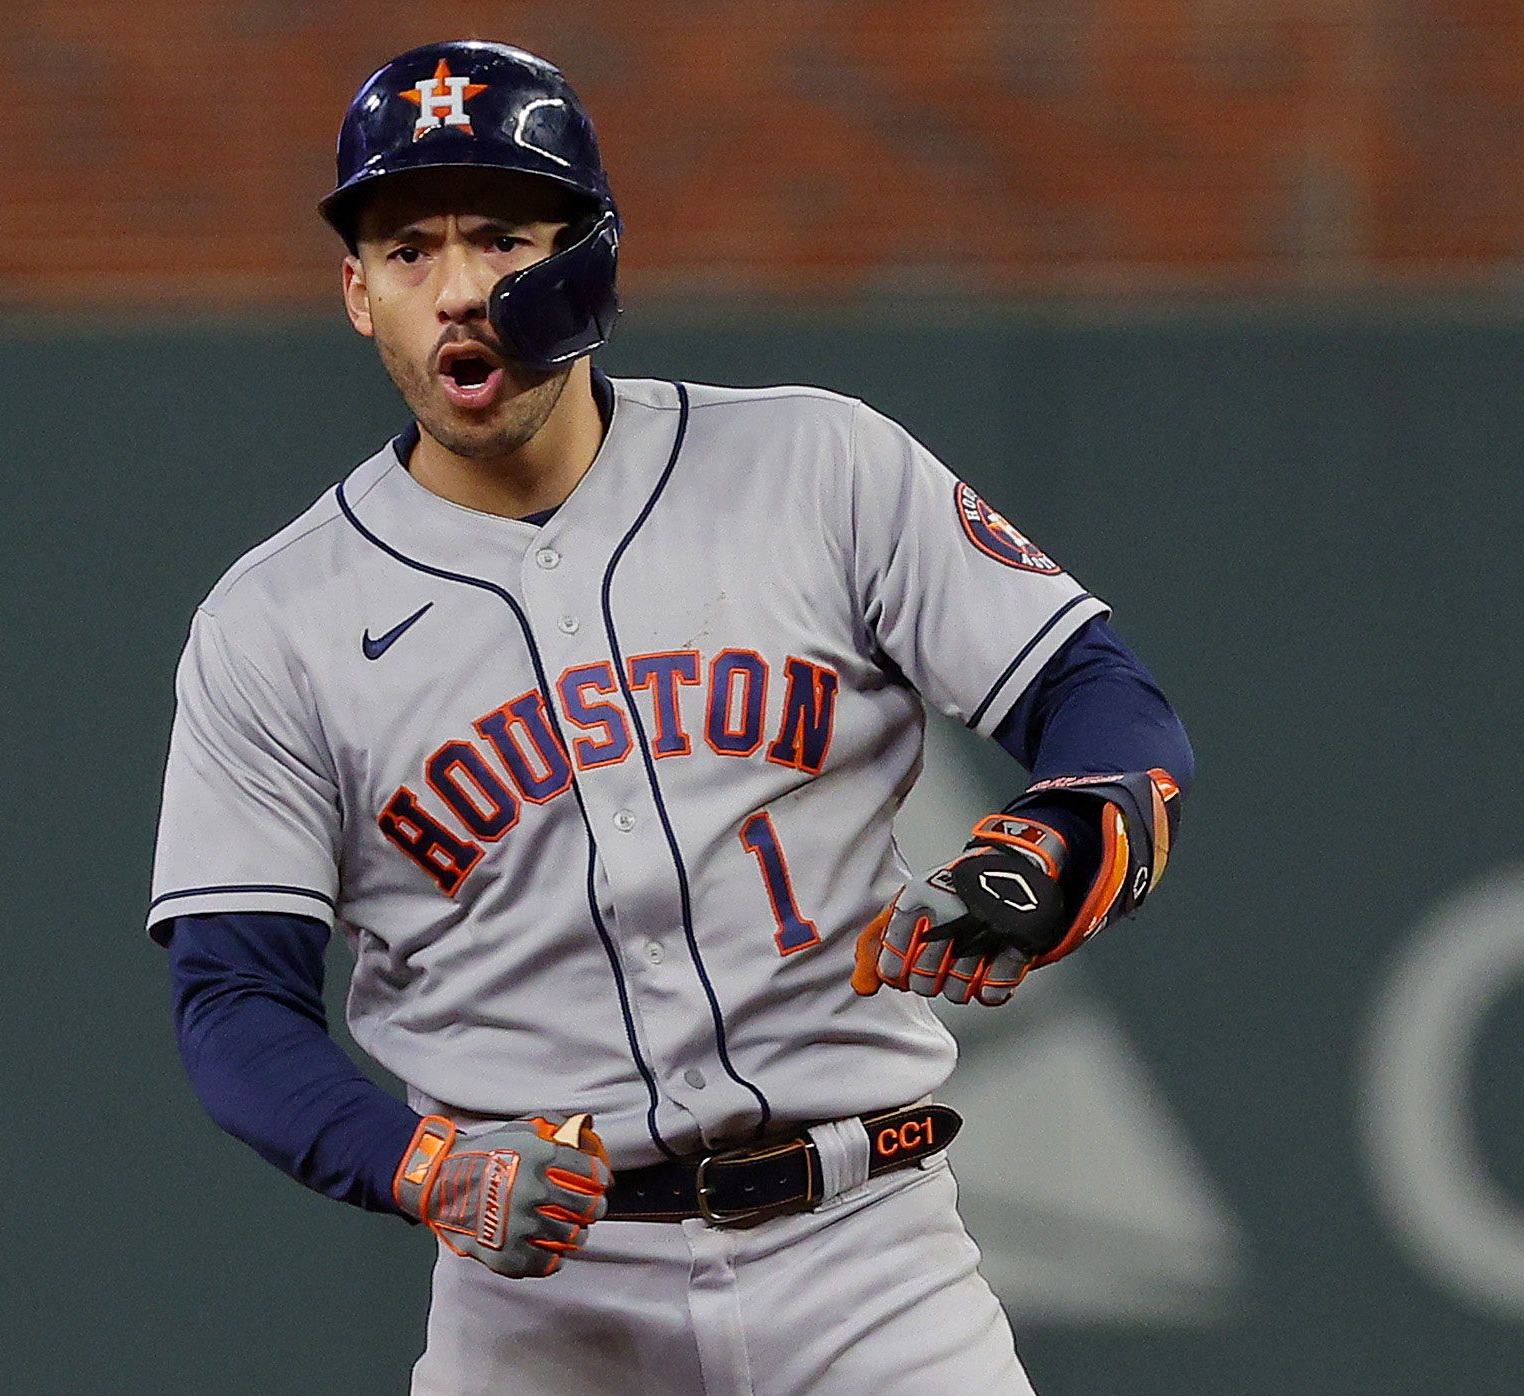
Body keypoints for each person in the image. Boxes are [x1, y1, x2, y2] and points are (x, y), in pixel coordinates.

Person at [149, 39, 1192, 1395]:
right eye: (408, 251)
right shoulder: (274, 622)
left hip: (867, 1260)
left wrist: (1059, 844)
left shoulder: (813, 468)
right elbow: (231, 1003)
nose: (461, 288)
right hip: (538, 1304)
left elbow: (1098, 695)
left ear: (587, 260)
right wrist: (428, 1167)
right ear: (356, 293)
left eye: (503, 236)